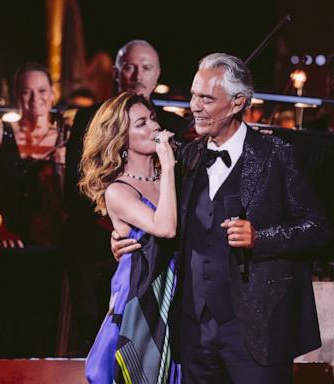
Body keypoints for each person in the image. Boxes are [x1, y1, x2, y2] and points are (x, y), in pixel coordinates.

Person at [112, 53, 331, 383]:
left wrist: (260, 238)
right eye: (193, 95)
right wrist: (125, 237)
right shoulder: (186, 159)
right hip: (194, 330)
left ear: (237, 102)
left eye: (206, 98)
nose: (194, 106)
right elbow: (154, 212)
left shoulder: (276, 155)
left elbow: (318, 228)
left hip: (260, 330)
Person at [62, 39, 189, 355]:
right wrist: (125, 230)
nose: (137, 75)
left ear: (157, 74)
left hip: (174, 269)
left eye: (146, 67)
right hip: (109, 248)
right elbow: (76, 192)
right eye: (130, 66)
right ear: (117, 73)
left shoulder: (174, 128)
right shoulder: (89, 120)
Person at [79, 92, 179, 383]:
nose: (153, 128)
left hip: (177, 292)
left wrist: (169, 170)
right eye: (141, 124)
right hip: (141, 297)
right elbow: (165, 228)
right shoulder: (118, 191)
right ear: (121, 138)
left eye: (152, 119)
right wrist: (169, 167)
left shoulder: (172, 177)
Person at [0, 62, 65, 357]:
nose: (34, 99)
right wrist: (0, 228)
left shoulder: (65, 138)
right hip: (6, 235)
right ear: (16, 96)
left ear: (52, 94)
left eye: (41, 91)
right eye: (26, 92)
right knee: (4, 316)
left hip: (48, 239)